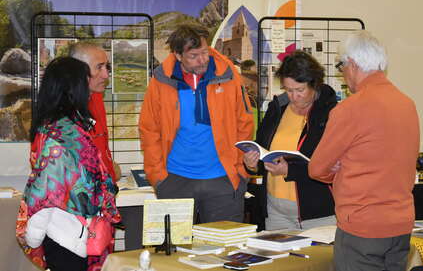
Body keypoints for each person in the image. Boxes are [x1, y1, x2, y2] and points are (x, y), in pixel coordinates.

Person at [309, 30, 420, 271]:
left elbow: (317, 168)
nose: (342, 73)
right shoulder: (407, 104)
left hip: (362, 226)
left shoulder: (350, 109)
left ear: (352, 63)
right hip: (401, 223)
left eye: (341, 66)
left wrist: (337, 172)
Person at [139, 24, 254, 223]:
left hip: (223, 180)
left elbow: (244, 122)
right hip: (175, 180)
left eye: (204, 52)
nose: (202, 60)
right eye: (194, 56)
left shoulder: (228, 75)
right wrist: (158, 178)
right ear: (177, 55)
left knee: (226, 251)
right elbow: (149, 130)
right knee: (173, 251)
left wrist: (241, 172)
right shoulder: (161, 80)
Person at [16, 57, 120, 271]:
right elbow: (45, 193)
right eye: (85, 82)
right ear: (72, 88)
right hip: (68, 239)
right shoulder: (63, 136)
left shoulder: (63, 128)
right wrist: (34, 238)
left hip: (74, 236)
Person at [243, 50, 337, 230]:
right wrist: (253, 163)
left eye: (300, 90)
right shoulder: (278, 107)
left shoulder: (330, 112)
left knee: (318, 259)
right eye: (288, 90)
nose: (294, 96)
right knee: (280, 258)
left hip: (318, 212)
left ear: (314, 84)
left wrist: (290, 169)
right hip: (276, 210)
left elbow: (331, 163)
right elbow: (263, 148)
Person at [70, 42, 121, 182]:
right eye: (99, 67)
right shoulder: (63, 110)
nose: (106, 75)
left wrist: (109, 170)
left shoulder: (96, 96)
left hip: (103, 192)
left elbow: (100, 144)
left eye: (107, 67)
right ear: (79, 71)